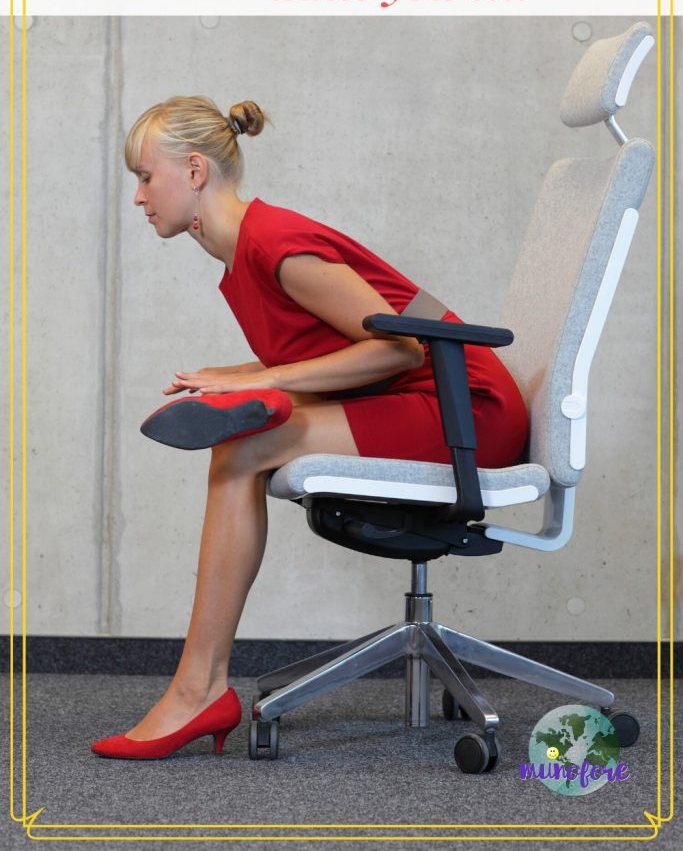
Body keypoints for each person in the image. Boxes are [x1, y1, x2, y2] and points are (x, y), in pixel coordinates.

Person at [91, 96, 528, 759]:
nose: (139, 196)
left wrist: (256, 381)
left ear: (195, 170)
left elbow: (398, 349)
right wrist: (236, 372)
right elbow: (328, 354)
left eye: (145, 177)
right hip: (428, 400)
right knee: (239, 441)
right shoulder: (245, 251)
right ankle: (199, 687)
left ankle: (198, 690)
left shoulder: (274, 244)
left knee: (243, 442)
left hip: (465, 411)